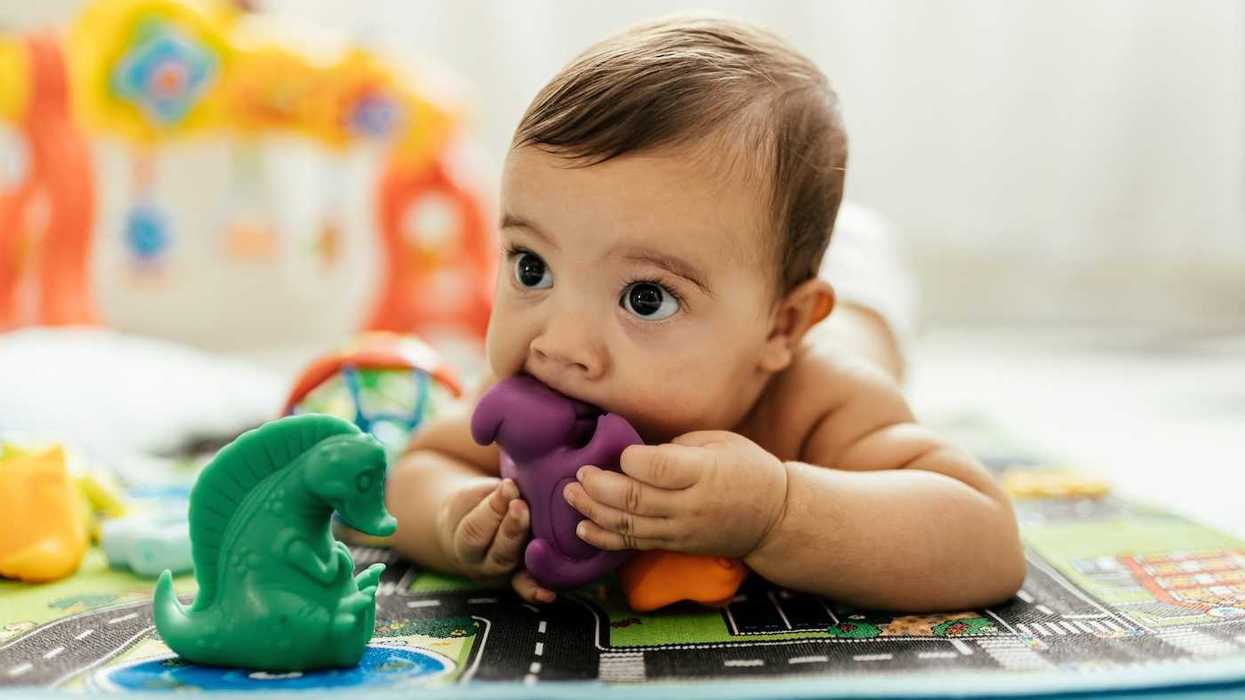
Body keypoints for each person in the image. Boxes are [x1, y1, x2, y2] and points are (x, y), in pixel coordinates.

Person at [386, 15, 1023, 612]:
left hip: (857, 302)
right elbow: (415, 468)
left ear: (782, 328)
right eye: (532, 267)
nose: (559, 343)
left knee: (858, 298)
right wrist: (457, 516)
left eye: (646, 298)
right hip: (753, 275)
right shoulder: (535, 381)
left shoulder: (817, 401)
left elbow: (985, 539)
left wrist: (778, 511)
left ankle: (853, 251)